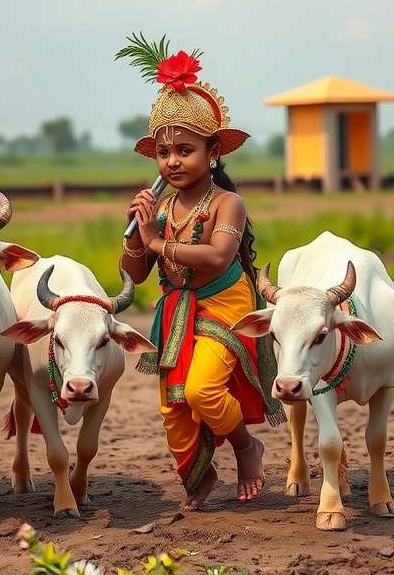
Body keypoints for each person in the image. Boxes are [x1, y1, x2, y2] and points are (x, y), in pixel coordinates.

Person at [116, 33, 284, 510]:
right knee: (173, 408)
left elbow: (216, 258)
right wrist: (136, 235)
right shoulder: (160, 208)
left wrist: (155, 241)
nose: (172, 161)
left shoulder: (228, 203)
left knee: (201, 389)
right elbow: (136, 273)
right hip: (176, 310)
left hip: (225, 303)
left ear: (213, 153)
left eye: (185, 150)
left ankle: (247, 448)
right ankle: (202, 473)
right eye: (163, 153)